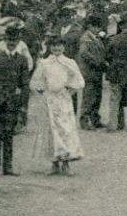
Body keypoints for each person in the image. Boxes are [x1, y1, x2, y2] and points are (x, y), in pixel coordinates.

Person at [29, 36, 86, 175]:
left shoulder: (69, 62)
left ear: (64, 47)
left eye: (59, 45)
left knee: (65, 129)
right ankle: (54, 163)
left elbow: (78, 81)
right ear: (49, 47)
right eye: (53, 46)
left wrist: (69, 92)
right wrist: (43, 95)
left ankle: (66, 163)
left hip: (63, 100)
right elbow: (35, 82)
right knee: (51, 129)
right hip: (49, 100)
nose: (56, 48)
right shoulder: (44, 63)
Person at [0, 27, 29, 176]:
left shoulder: (22, 60)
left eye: (14, 40)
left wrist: (23, 105)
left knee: (9, 134)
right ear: (4, 41)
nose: (11, 43)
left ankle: (8, 167)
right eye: (9, 40)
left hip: (12, 103)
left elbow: (24, 85)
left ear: (18, 42)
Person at [76, 15, 108, 130]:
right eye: (95, 27)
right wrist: (98, 62)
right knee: (89, 97)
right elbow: (84, 53)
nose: (97, 29)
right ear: (90, 26)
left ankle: (95, 119)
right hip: (89, 71)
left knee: (97, 96)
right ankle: (84, 121)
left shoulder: (94, 37)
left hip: (96, 72)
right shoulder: (86, 38)